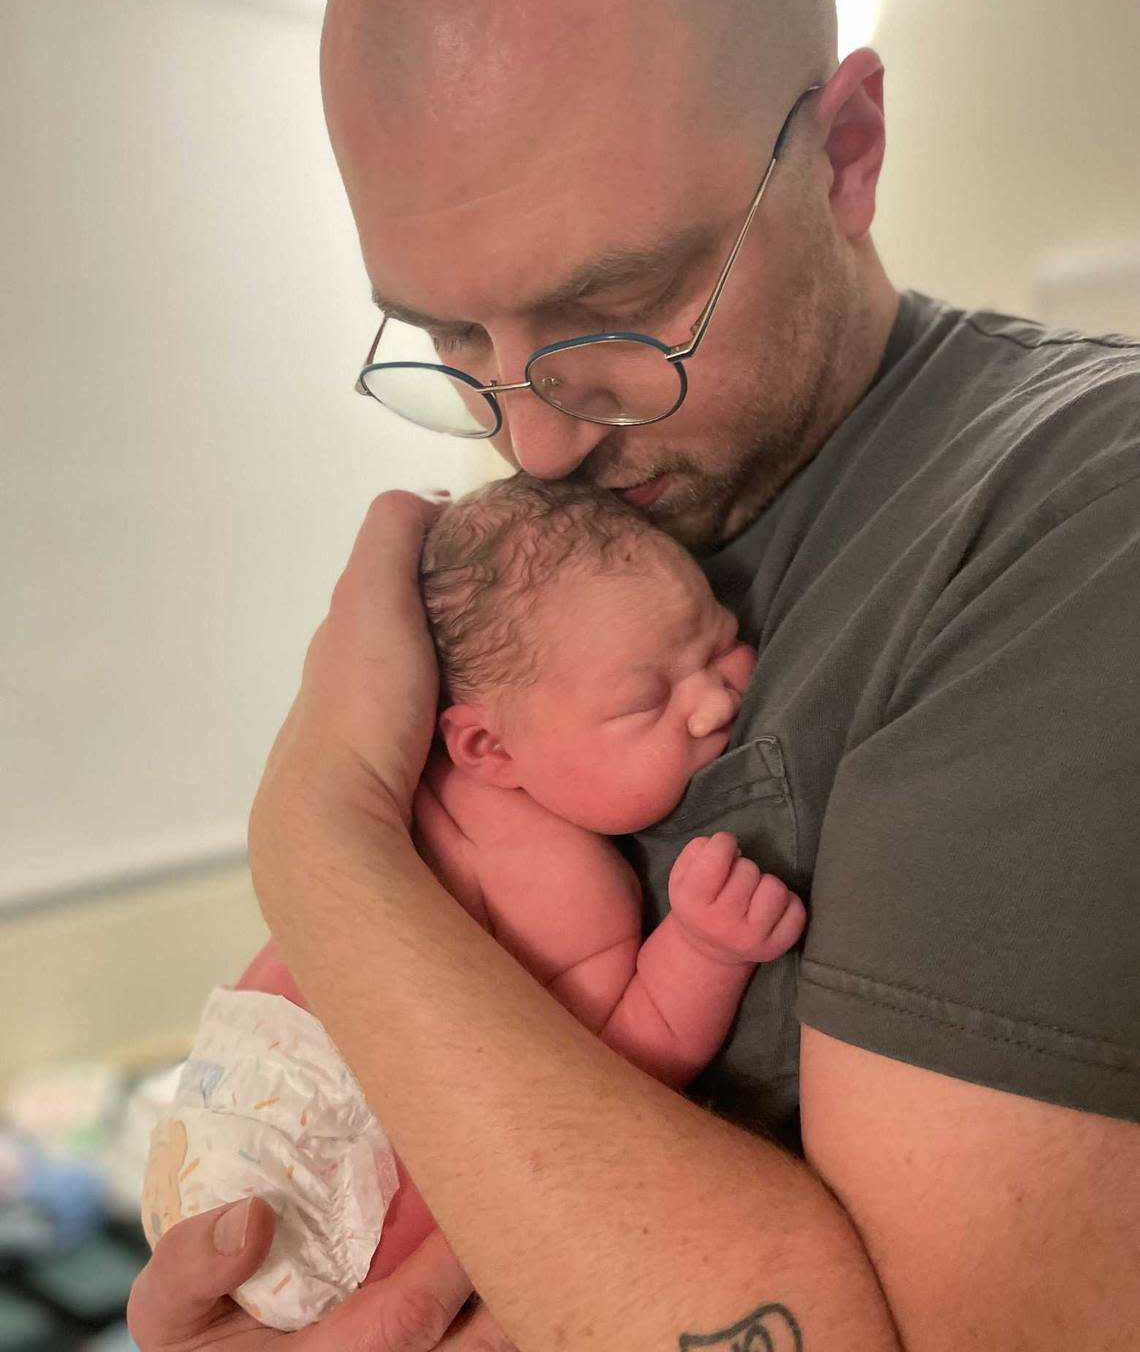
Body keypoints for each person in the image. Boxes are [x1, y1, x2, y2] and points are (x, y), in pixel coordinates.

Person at [128, 0, 1140, 1348]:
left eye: (615, 310)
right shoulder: (526, 551)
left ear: (848, 150)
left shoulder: (1072, 512)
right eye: (455, 343)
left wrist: (319, 839)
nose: (531, 439)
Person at [140, 476, 805, 1328]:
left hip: (216, 1151)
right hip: (345, 1199)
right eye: (647, 699)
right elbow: (621, 1079)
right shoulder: (570, 887)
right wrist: (705, 950)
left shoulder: (396, 768)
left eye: (719, 644)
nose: (717, 701)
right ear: (487, 744)